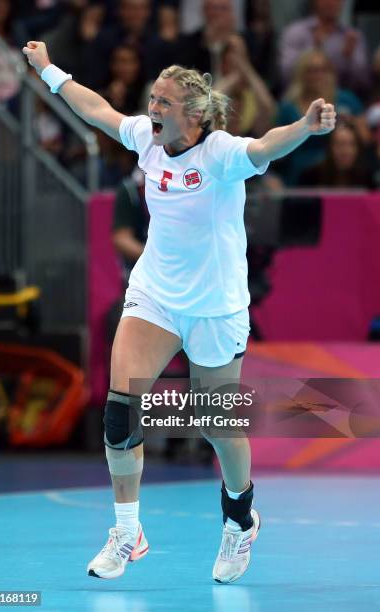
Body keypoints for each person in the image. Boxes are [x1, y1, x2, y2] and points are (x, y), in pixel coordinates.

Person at [22, 39, 336, 584]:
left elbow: (265, 147)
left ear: (192, 113)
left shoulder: (220, 155)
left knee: (216, 423)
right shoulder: (146, 140)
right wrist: (49, 69)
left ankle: (240, 516)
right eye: (152, 99)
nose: (153, 109)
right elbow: (95, 109)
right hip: (156, 295)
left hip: (216, 306)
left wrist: (305, 127)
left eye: (164, 102)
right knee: (121, 408)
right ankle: (127, 531)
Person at [275, 49, 363, 185]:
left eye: (322, 70)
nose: (317, 75)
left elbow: (365, 137)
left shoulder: (346, 100)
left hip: (339, 173)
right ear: (302, 74)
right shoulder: (289, 107)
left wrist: (351, 124)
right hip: (298, 173)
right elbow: (278, 144)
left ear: (330, 72)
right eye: (311, 70)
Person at [278, 0, 369, 95]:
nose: (331, 2)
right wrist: (314, 50)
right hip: (301, 98)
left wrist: (348, 58)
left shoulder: (352, 37)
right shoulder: (296, 32)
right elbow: (287, 74)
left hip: (341, 100)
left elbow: (363, 83)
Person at [298, 120, 374, 188]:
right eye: (340, 144)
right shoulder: (310, 177)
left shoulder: (367, 178)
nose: (346, 151)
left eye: (352, 144)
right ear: (329, 147)